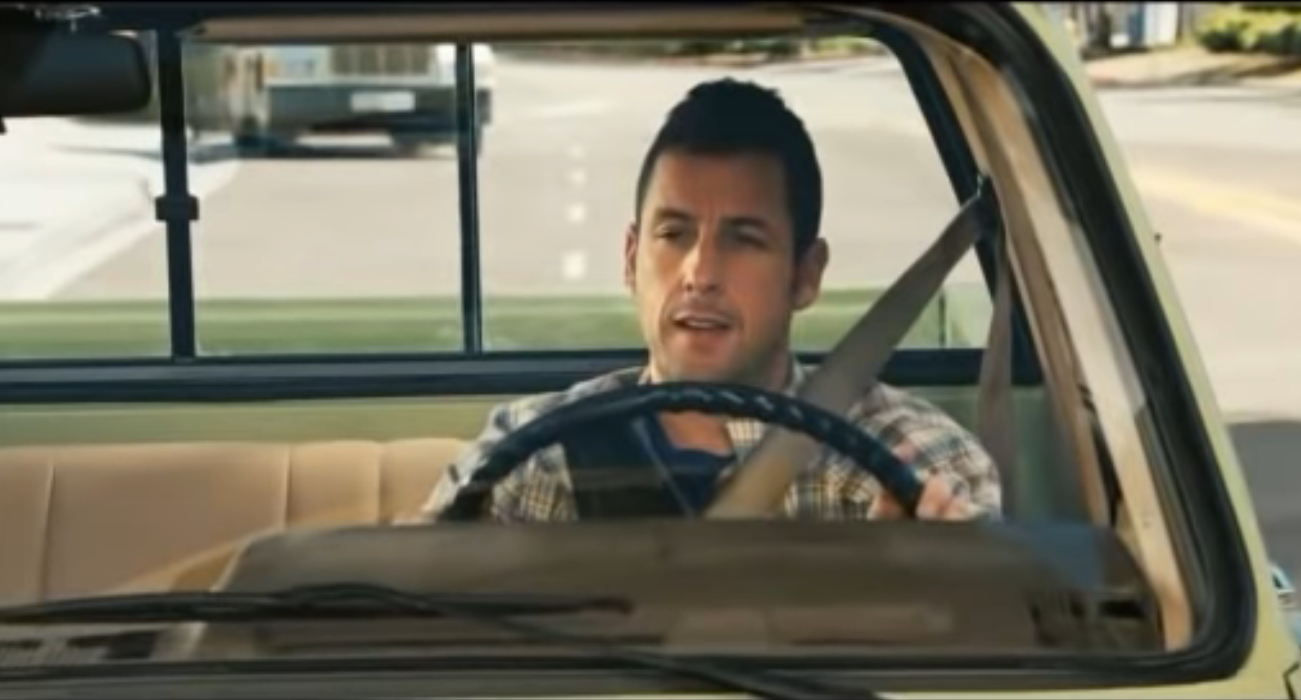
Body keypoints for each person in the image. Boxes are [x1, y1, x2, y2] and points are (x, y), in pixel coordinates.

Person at [413, 78, 1002, 523]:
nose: (699, 272)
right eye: (673, 235)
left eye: (744, 239)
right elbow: (417, 611)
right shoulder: (533, 452)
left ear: (806, 274)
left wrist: (914, 576)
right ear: (631, 258)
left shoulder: (906, 456)